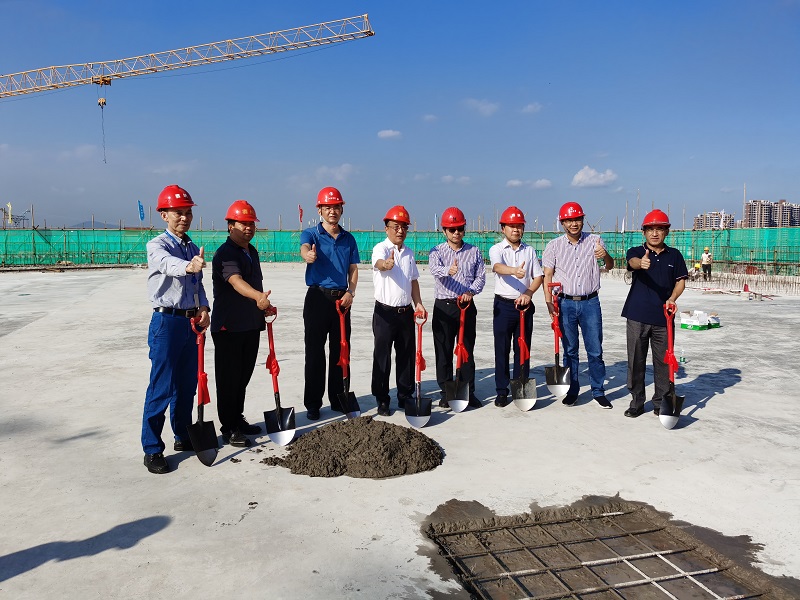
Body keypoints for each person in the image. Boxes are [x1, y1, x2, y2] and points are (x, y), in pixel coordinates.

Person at [141, 184, 210, 475]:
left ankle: (182, 434)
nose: (184, 218)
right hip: (166, 323)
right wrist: (189, 266)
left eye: (187, 213)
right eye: (177, 213)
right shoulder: (157, 245)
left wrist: (204, 307)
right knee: (162, 386)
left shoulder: (193, 248)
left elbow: (198, 284)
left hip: (190, 323)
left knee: (186, 385)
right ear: (164, 215)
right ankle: (152, 449)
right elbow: (169, 265)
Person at [542, 201, 614, 408]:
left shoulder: (595, 241)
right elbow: (547, 275)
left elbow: (609, 266)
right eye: (569, 220)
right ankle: (572, 391)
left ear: (583, 220)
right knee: (570, 350)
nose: (574, 224)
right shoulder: (553, 246)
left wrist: (605, 255)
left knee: (595, 350)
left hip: (590, 303)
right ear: (562, 223)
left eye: (577, 219)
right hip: (565, 303)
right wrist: (549, 303)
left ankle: (598, 391)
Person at [210, 200, 271, 447]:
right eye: (243, 224)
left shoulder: (251, 251)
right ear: (230, 225)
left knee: (243, 376)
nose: (248, 228)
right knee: (229, 379)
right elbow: (236, 281)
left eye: (251, 224)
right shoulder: (225, 253)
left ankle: (238, 418)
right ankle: (229, 427)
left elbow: (254, 284)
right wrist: (258, 297)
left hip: (250, 324)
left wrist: (263, 304)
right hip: (229, 327)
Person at [299, 187, 360, 420]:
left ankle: (338, 397)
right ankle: (313, 403)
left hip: (342, 301)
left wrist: (351, 292)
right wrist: (308, 256)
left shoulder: (348, 239)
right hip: (317, 298)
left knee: (341, 350)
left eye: (336, 207)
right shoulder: (311, 234)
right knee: (315, 352)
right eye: (327, 207)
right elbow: (304, 248)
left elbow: (353, 269)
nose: (332, 211)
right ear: (320, 210)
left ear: (341, 209)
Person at [622, 210, 688, 417]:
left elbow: (681, 281)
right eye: (650, 229)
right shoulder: (636, 251)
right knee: (636, 360)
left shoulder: (674, 255)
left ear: (666, 232)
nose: (655, 233)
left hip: (663, 317)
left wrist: (672, 298)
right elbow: (632, 262)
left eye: (660, 229)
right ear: (644, 232)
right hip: (637, 315)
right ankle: (637, 402)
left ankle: (661, 402)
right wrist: (640, 264)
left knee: (663, 362)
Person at [429, 206, 486, 409]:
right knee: (443, 351)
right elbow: (434, 269)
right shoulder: (437, 251)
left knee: (466, 350)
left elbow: (481, 277)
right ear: (444, 231)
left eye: (460, 229)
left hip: (466, 305)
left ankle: (467, 391)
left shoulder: (474, 251)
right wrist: (449, 270)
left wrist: (471, 291)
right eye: (452, 229)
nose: (456, 233)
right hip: (444, 307)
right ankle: (446, 392)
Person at [371, 205, 425, 416]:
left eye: (404, 227)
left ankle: (405, 394)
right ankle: (382, 398)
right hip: (384, 313)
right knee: (382, 356)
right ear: (386, 228)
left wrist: (418, 303)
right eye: (396, 226)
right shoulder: (381, 248)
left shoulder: (409, 253)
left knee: (406, 356)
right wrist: (386, 264)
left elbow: (413, 280)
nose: (400, 231)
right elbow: (379, 263)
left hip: (405, 313)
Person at [489, 206, 544, 407]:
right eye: (511, 226)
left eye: (519, 226)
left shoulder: (529, 251)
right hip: (503, 306)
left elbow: (538, 276)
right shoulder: (496, 249)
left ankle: (520, 387)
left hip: (524, 307)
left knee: (523, 348)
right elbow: (497, 267)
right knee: (501, 349)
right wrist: (514, 270)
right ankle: (502, 391)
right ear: (503, 228)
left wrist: (528, 293)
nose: (515, 230)